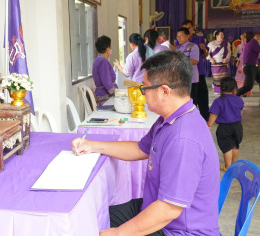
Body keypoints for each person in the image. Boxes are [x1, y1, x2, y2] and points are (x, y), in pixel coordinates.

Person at [72, 50, 220, 236]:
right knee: (92, 218)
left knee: (102, 229)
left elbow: (169, 210)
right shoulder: (170, 119)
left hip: (177, 229)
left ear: (164, 91)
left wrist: (118, 234)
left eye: (145, 88)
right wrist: (92, 145)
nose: (142, 94)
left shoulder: (183, 139)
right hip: (154, 208)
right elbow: (139, 148)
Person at [208, 76, 244, 171]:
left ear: (221, 89)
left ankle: (228, 166)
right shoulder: (239, 100)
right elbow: (239, 108)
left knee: (227, 148)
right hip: (237, 126)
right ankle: (234, 164)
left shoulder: (218, 101)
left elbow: (213, 115)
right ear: (235, 89)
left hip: (224, 128)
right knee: (235, 145)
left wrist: (209, 126)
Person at [181, 20, 210, 120]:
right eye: (185, 28)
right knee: (190, 96)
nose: (187, 30)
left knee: (202, 94)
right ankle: (191, 117)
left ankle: (205, 116)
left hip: (199, 71)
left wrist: (205, 50)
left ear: (193, 28)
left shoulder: (199, 39)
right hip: (186, 74)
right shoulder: (180, 40)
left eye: (189, 27)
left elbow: (205, 55)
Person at [174, 27, 199, 105]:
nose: (179, 38)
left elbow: (194, 61)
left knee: (191, 102)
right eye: (177, 37)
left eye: (181, 36)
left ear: (187, 36)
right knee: (181, 102)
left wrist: (180, 60)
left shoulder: (193, 46)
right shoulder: (177, 48)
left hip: (191, 80)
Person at [92, 35, 118, 105]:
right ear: (107, 48)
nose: (111, 49)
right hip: (106, 97)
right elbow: (107, 83)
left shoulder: (97, 60)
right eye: (110, 46)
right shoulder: (103, 61)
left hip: (102, 95)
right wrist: (119, 94)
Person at [236, 30, 260, 96]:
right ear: (257, 36)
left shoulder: (251, 42)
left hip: (253, 66)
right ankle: (234, 95)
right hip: (250, 67)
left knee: (249, 86)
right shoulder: (253, 42)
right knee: (248, 86)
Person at [207, 30, 231, 94]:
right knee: (216, 79)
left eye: (223, 35)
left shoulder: (227, 44)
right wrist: (210, 59)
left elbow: (229, 53)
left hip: (223, 64)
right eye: (221, 34)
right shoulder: (211, 44)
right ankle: (217, 91)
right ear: (217, 36)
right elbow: (207, 53)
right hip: (215, 65)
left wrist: (227, 58)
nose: (222, 36)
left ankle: (224, 91)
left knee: (224, 78)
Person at [235, 32, 253, 96]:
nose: (242, 40)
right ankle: (240, 90)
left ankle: (245, 92)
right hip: (242, 61)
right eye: (241, 39)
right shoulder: (242, 45)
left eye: (243, 38)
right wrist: (238, 61)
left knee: (246, 76)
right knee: (240, 76)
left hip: (247, 62)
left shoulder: (250, 45)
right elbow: (241, 54)